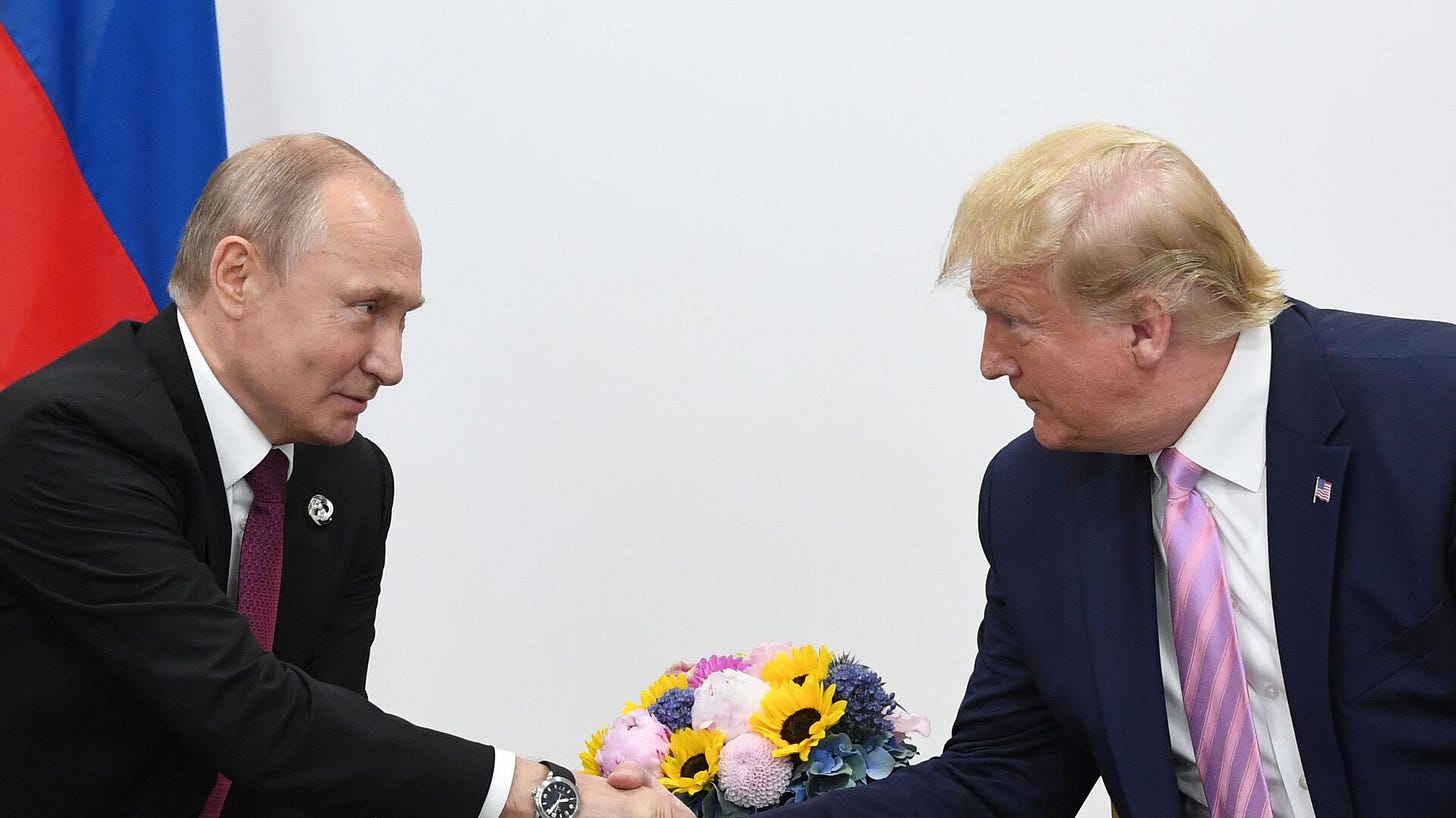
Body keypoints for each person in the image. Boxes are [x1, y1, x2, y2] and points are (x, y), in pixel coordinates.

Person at [770, 124, 1456, 817]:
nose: (990, 361)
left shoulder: (1433, 419)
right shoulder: (1034, 497)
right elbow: (1000, 779)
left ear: (1144, 329)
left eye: (1013, 321)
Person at [0, 134, 688, 818]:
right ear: (238, 276)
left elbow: (326, 757)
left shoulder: (351, 477)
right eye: (366, 309)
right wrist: (542, 795)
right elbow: (248, 710)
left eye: (401, 320)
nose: (391, 364)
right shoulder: (68, 437)